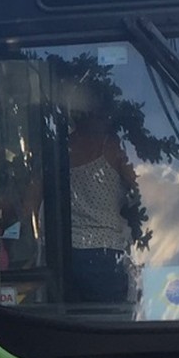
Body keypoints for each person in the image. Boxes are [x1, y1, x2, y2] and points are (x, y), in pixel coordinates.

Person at [66, 88, 137, 302]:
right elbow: (138, 185)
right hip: (107, 251)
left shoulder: (61, 147)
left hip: (68, 251)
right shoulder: (111, 146)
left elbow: (30, 203)